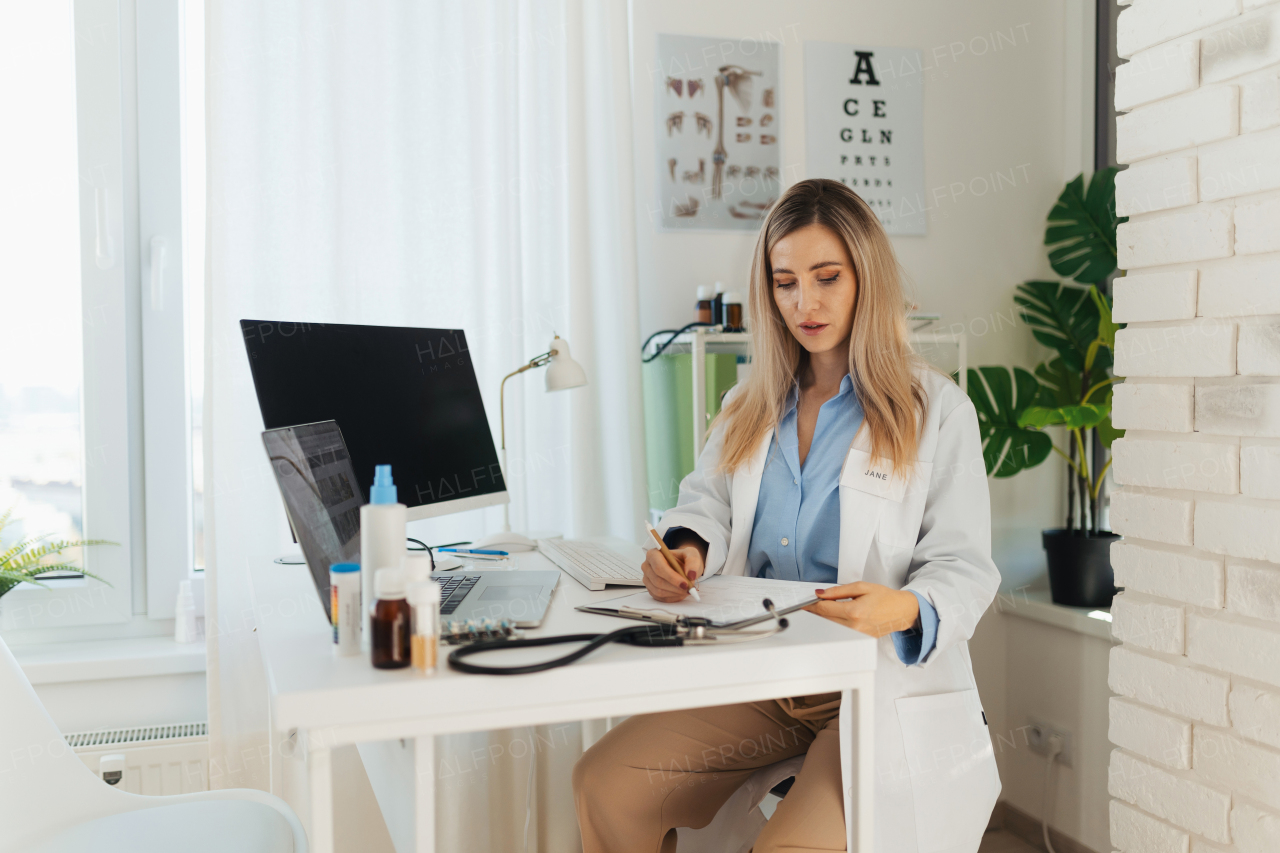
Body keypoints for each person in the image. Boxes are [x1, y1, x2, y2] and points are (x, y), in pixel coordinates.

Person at [572, 179, 1001, 853]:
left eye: (827, 277)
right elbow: (705, 503)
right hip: (763, 673)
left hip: (871, 682)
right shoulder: (751, 400)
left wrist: (902, 608)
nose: (806, 302)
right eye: (785, 282)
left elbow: (964, 566)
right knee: (605, 782)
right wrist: (684, 550)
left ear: (866, 277)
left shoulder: (937, 411)